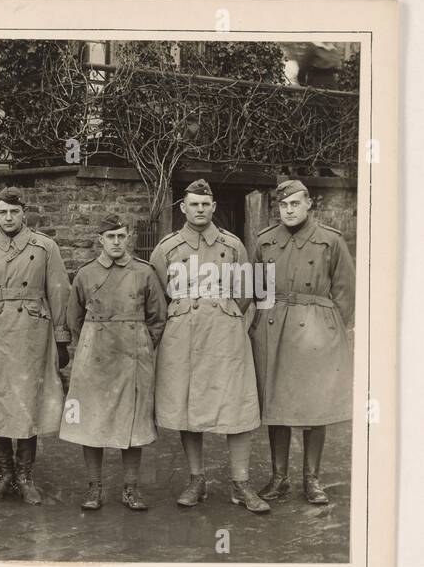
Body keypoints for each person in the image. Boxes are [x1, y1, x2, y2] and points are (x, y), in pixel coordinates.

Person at [150, 179, 269, 513]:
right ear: (183, 207)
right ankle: (196, 479)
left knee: (237, 405)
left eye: (206, 204)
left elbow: (247, 291)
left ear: (214, 207)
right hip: (183, 337)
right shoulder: (167, 248)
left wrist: (226, 314)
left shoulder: (232, 246)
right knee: (189, 406)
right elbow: (157, 293)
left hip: (225, 336)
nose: (200, 210)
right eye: (194, 204)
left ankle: (240, 482)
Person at [0, 186, 69, 504]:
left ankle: (25, 476)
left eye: (14, 212)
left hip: (31, 334)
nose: (8, 218)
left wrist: (61, 338)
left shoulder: (45, 248)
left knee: (26, 404)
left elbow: (59, 293)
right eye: (3, 212)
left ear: (24, 213)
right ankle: (4, 476)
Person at [249, 179, 355, 505]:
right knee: (277, 406)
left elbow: (346, 292)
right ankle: (279, 478)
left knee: (315, 406)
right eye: (283, 205)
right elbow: (254, 289)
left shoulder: (330, 241)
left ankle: (312, 480)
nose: (290, 210)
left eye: (295, 203)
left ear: (309, 204)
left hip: (317, 331)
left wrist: (332, 329)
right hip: (274, 328)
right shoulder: (265, 242)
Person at [61, 212, 168, 510]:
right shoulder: (85, 274)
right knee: (91, 423)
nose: (117, 242)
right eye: (111, 237)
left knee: (132, 425)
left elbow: (158, 318)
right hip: (94, 358)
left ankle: (131, 489)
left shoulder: (144, 273)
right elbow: (74, 319)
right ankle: (94, 488)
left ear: (128, 237)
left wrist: (143, 346)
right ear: (100, 240)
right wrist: (89, 346)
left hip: (133, 358)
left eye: (121, 236)